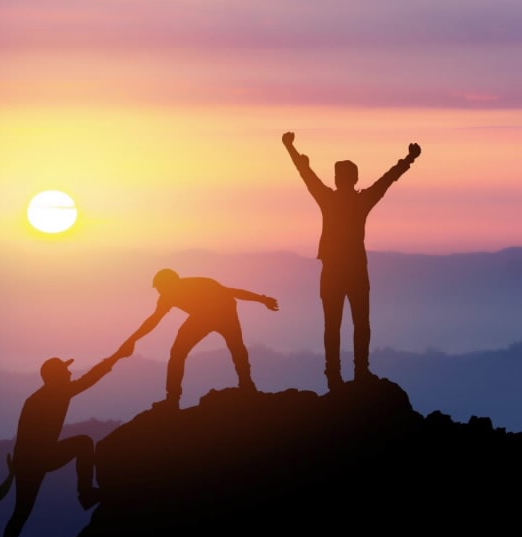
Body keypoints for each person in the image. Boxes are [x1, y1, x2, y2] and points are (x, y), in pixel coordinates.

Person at [282, 132, 421, 390]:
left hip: (334, 272)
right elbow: (387, 180)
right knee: (360, 324)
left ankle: (335, 377)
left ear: (338, 179)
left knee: (333, 326)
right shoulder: (361, 201)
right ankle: (360, 373)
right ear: (354, 179)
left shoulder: (329, 199)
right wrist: (409, 159)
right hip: (355, 271)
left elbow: (306, 175)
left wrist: (290, 148)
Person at [1, 353, 125, 537]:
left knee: (21, 512)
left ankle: (86, 494)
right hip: (36, 460)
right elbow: (90, 379)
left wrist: (19, 465)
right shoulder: (56, 394)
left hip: (28, 462)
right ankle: (85, 494)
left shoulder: (40, 397)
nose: (69, 372)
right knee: (83, 443)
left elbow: (22, 436)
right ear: (55, 376)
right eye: (64, 370)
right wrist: (115, 358)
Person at [119, 269, 278, 410]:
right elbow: (153, 321)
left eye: (160, 287)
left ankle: (174, 400)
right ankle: (246, 386)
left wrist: (263, 299)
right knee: (231, 347)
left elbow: (232, 292)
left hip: (222, 313)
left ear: (170, 284)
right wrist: (132, 340)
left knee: (231, 347)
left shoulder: (200, 284)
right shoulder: (168, 296)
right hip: (211, 315)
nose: (159, 291)